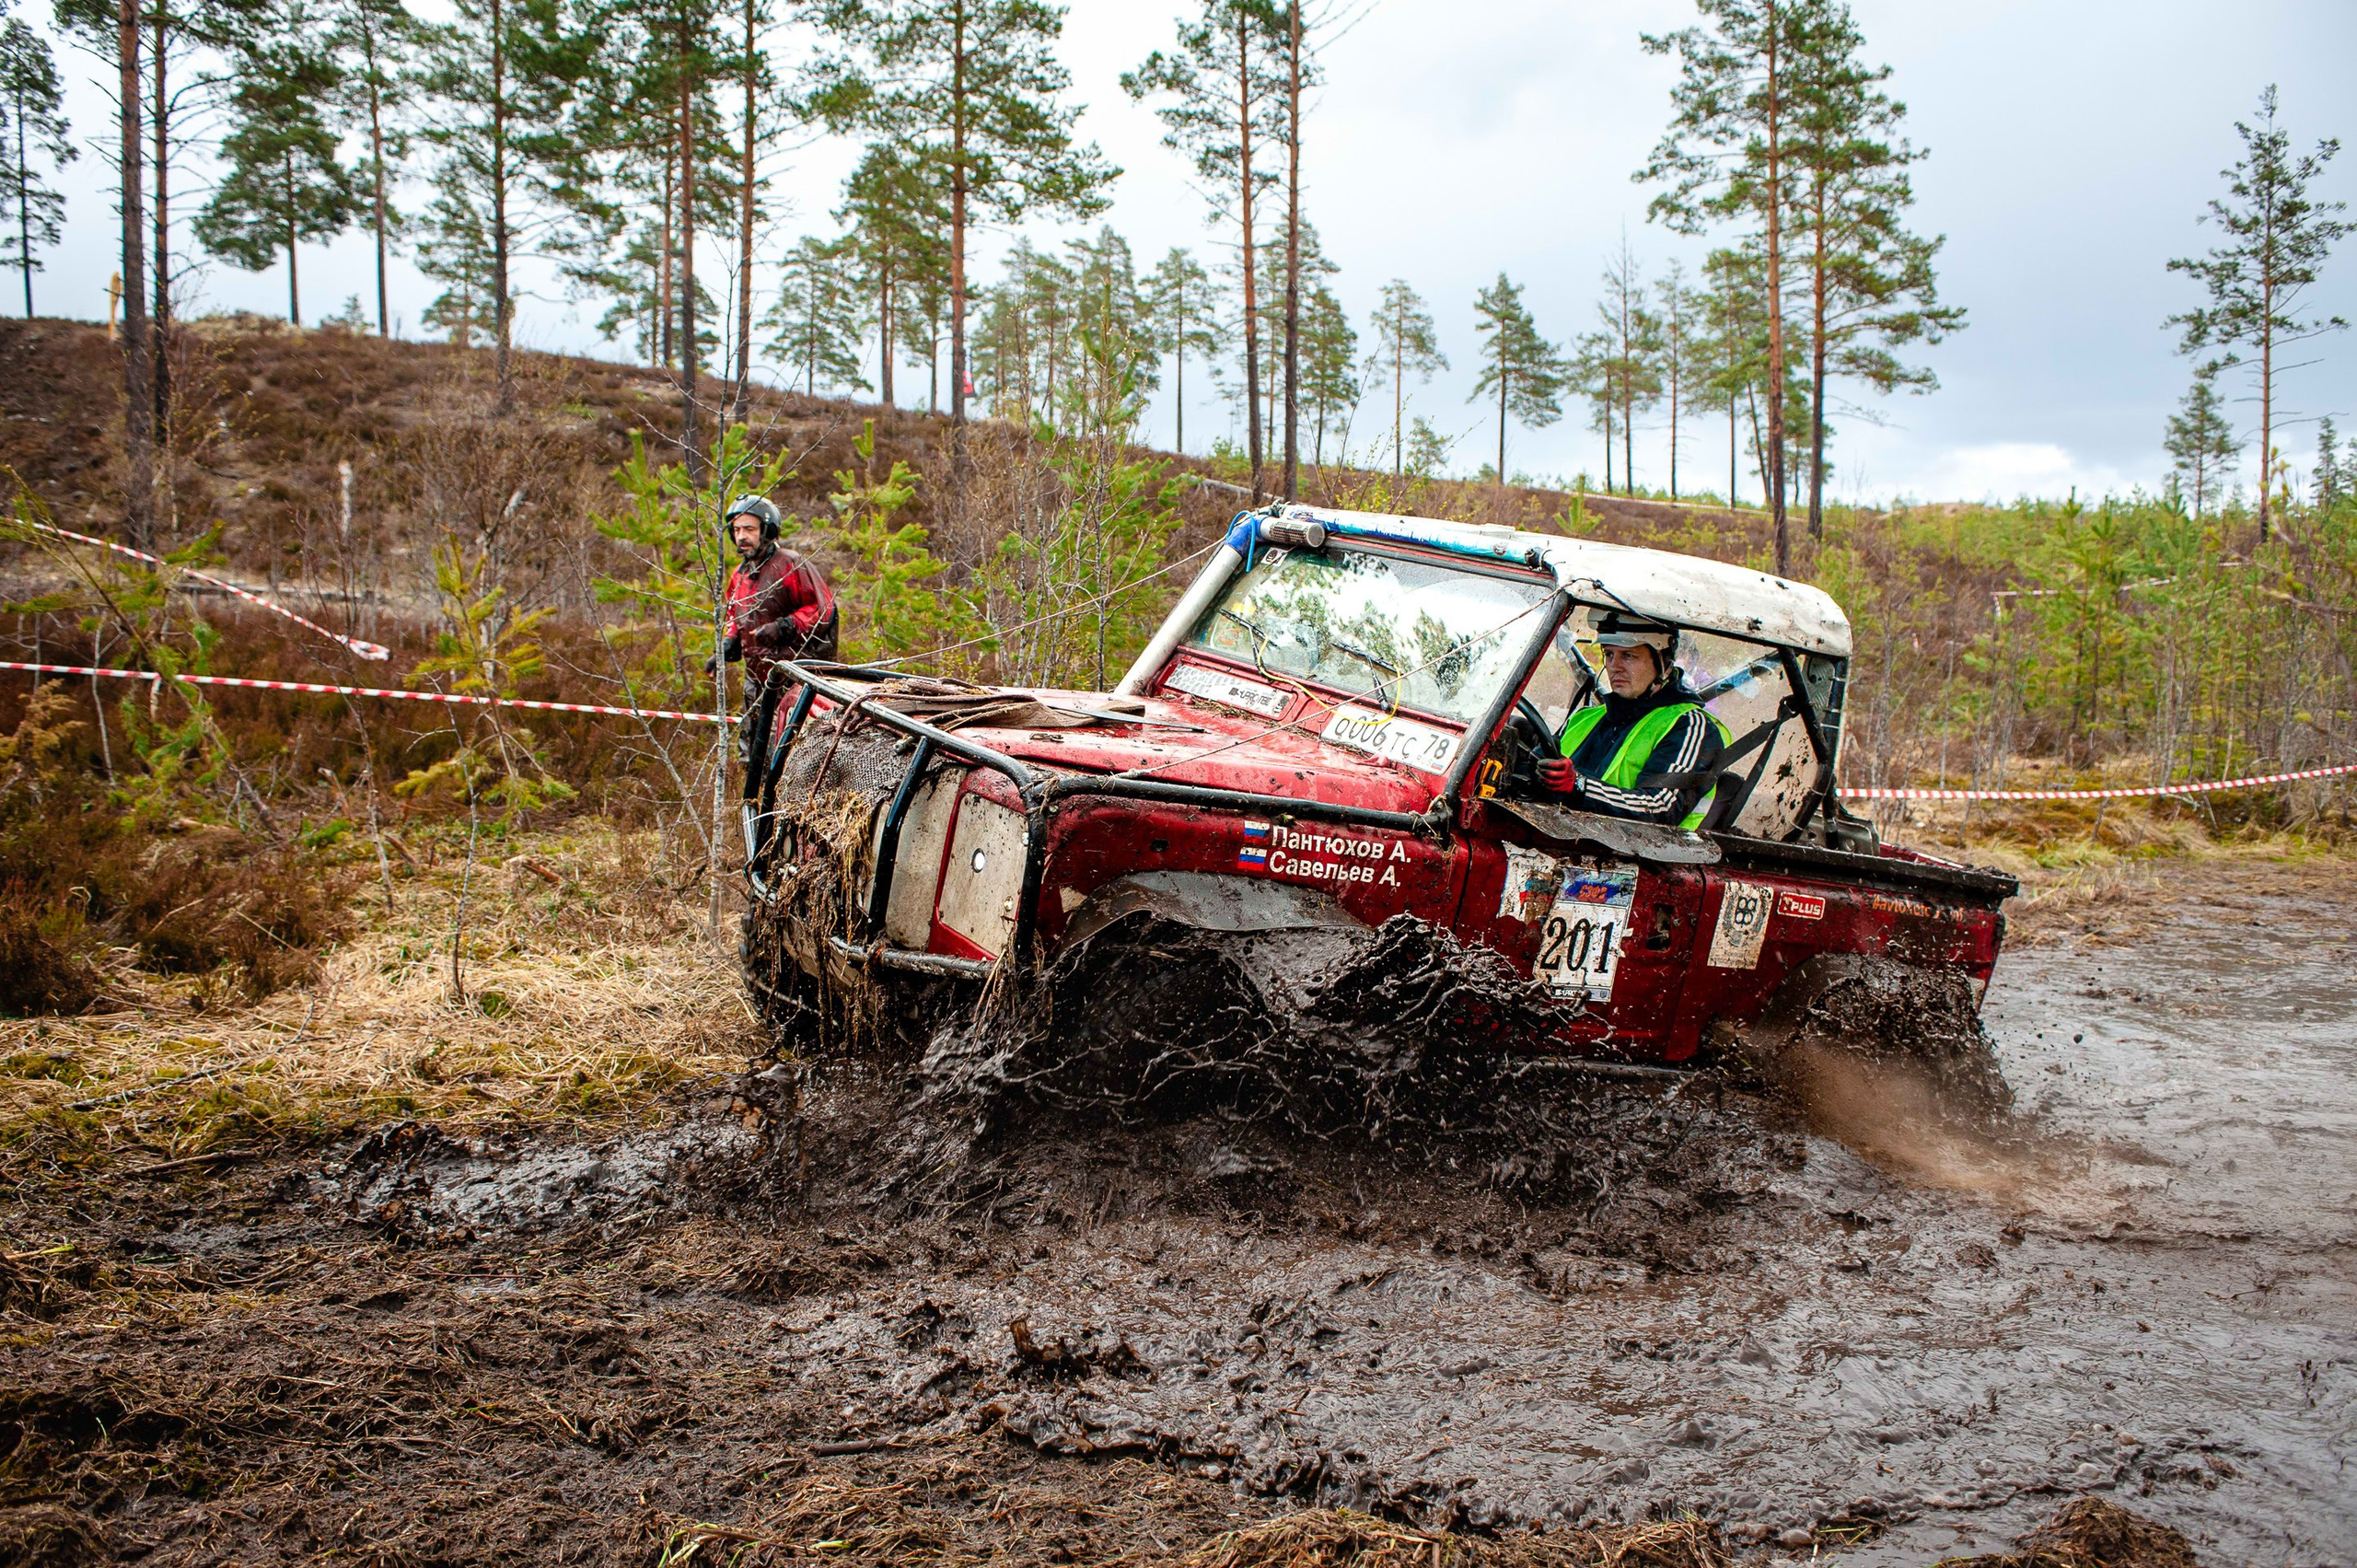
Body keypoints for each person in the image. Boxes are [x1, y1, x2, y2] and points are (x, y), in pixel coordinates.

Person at [1536, 612, 1726, 830]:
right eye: (1609, 654)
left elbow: (1660, 807)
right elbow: (1537, 767)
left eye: (1628, 656)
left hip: (1629, 849)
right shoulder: (1585, 717)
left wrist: (1580, 785)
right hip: (1556, 834)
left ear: (1662, 661)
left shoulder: (1690, 726)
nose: (1614, 666)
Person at [710, 494, 837, 774]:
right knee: (752, 752)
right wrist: (728, 643)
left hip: (793, 674)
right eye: (736, 530)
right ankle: (752, 797)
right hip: (755, 677)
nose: (741, 536)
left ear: (767, 529)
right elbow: (736, 616)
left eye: (749, 529)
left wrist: (785, 626)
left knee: (791, 752)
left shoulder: (790, 564)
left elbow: (822, 608)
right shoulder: (739, 575)